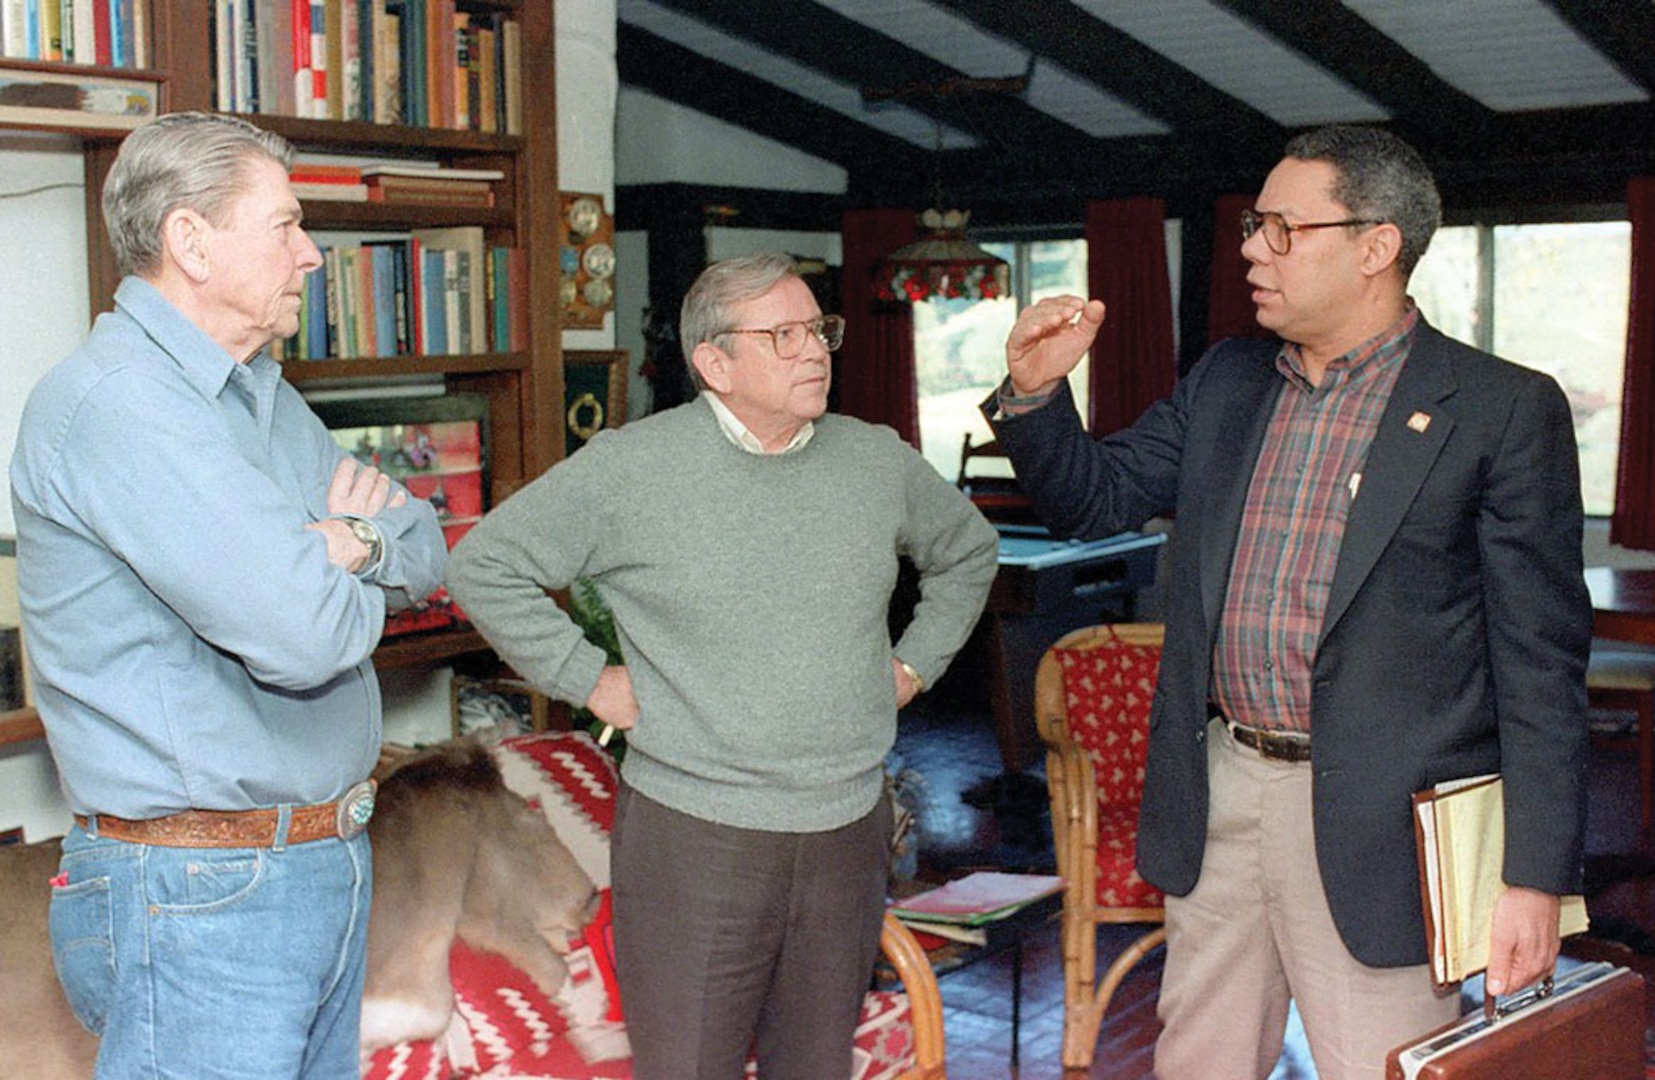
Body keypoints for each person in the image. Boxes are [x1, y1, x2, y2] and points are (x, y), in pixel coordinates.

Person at [986, 125, 1589, 1080]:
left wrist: (1533, 880)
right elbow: (1094, 499)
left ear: (1374, 246)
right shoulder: (1228, 381)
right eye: (1250, 227)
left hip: (1379, 826)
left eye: (1279, 229)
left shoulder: (1500, 408)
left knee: (1375, 1066)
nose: (1250, 250)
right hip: (1218, 788)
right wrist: (1035, 395)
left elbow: (1540, 665)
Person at [447, 252, 998, 1079]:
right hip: (695, 836)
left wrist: (912, 666)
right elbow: (483, 565)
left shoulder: (873, 459)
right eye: (783, 335)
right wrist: (588, 679)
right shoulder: (632, 468)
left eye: (819, 329)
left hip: (848, 827)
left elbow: (968, 551)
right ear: (714, 363)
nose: (815, 350)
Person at [11, 112, 447, 1078]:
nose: (312, 257)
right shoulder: (122, 403)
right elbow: (300, 636)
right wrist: (327, 571)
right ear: (190, 240)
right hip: (198, 885)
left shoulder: (259, 395)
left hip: (310, 862)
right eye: (286, 226)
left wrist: (349, 543)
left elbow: (424, 544)